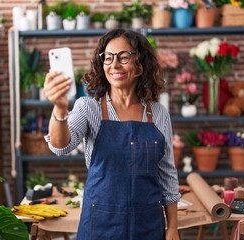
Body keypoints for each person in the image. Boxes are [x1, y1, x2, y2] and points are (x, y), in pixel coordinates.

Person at [43, 28, 181, 240]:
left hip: (148, 225)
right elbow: (61, 147)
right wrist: (60, 108)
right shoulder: (89, 108)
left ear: (141, 63)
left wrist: (172, 227)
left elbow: (167, 174)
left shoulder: (158, 113)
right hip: (100, 225)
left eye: (124, 57)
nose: (114, 65)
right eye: (108, 58)